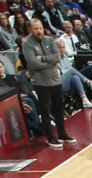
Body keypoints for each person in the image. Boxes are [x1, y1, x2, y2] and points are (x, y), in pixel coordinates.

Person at [20, 18, 73, 150]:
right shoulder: (27, 43)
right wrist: (49, 63)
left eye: (40, 28)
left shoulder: (49, 40)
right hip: (40, 82)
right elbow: (32, 63)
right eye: (36, 29)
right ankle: (51, 137)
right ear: (30, 30)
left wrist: (43, 59)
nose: (39, 31)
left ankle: (62, 133)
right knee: (46, 110)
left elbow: (57, 57)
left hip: (55, 79)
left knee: (59, 108)